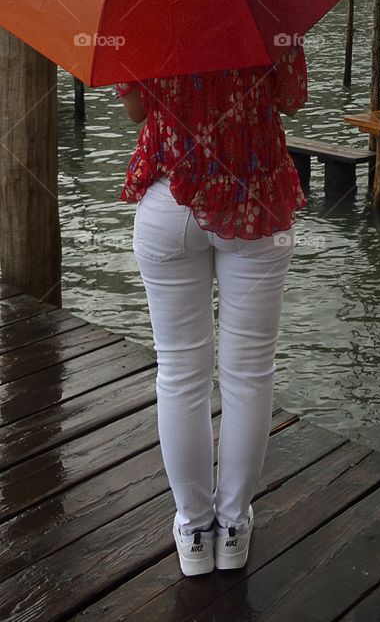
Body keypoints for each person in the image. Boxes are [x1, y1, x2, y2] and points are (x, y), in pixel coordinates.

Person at [116, 45, 307, 577]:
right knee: (248, 374)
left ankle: (194, 529)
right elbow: (293, 98)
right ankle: (234, 526)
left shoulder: (147, 8)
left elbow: (136, 109)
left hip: (169, 200)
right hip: (256, 195)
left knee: (179, 373)